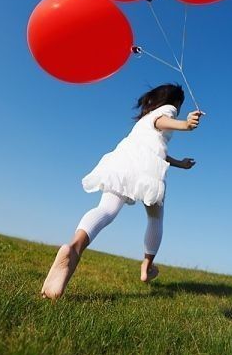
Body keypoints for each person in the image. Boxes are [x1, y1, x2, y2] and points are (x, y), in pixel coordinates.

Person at [41, 83, 204, 299]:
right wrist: (185, 124)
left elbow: (156, 148)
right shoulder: (167, 110)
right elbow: (162, 121)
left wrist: (179, 163)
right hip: (146, 169)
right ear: (174, 101)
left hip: (122, 161)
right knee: (155, 218)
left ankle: (74, 246)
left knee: (106, 210)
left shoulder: (142, 122)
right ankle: (147, 266)